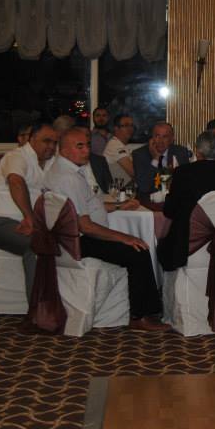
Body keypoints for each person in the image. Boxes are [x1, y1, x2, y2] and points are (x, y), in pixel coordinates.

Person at [45, 127, 168, 331]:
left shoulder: (61, 170)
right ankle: (140, 315)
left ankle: (145, 310)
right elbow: (85, 226)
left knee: (134, 245)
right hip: (77, 241)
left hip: (67, 237)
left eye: (87, 145)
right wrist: (123, 237)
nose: (86, 150)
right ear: (64, 150)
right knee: (138, 250)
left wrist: (119, 206)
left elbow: (88, 207)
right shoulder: (69, 178)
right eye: (79, 146)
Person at [0, 122, 58, 303]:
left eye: (55, 142)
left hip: (33, 223)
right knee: (37, 247)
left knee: (66, 241)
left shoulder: (51, 162)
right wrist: (29, 218)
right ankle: (37, 308)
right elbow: (16, 182)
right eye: (46, 141)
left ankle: (59, 302)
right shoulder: (16, 156)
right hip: (0, 223)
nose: (51, 146)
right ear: (32, 139)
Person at [159, 130, 215, 272]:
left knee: (161, 244)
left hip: (186, 245)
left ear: (198, 151)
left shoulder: (183, 172)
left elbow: (169, 211)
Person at [131, 121, 192, 196]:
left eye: (165, 137)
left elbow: (186, 182)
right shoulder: (139, 154)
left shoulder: (180, 152)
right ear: (152, 138)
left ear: (172, 139)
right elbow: (144, 187)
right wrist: (155, 159)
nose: (160, 141)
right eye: (157, 136)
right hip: (149, 199)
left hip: (174, 197)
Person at [103, 114, 135, 185]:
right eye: (126, 125)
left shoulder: (122, 144)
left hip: (125, 186)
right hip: (118, 189)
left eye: (131, 125)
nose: (130, 129)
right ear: (116, 128)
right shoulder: (115, 145)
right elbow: (134, 173)